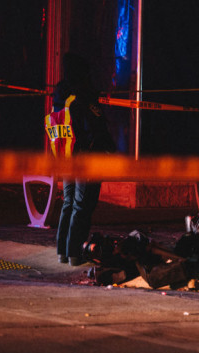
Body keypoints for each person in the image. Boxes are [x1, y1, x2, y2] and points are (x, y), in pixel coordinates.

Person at [46, 53, 115, 266]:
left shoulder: (61, 97)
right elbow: (96, 128)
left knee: (69, 204)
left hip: (66, 157)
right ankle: (75, 253)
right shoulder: (83, 97)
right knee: (82, 206)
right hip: (86, 159)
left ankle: (63, 251)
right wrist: (109, 150)